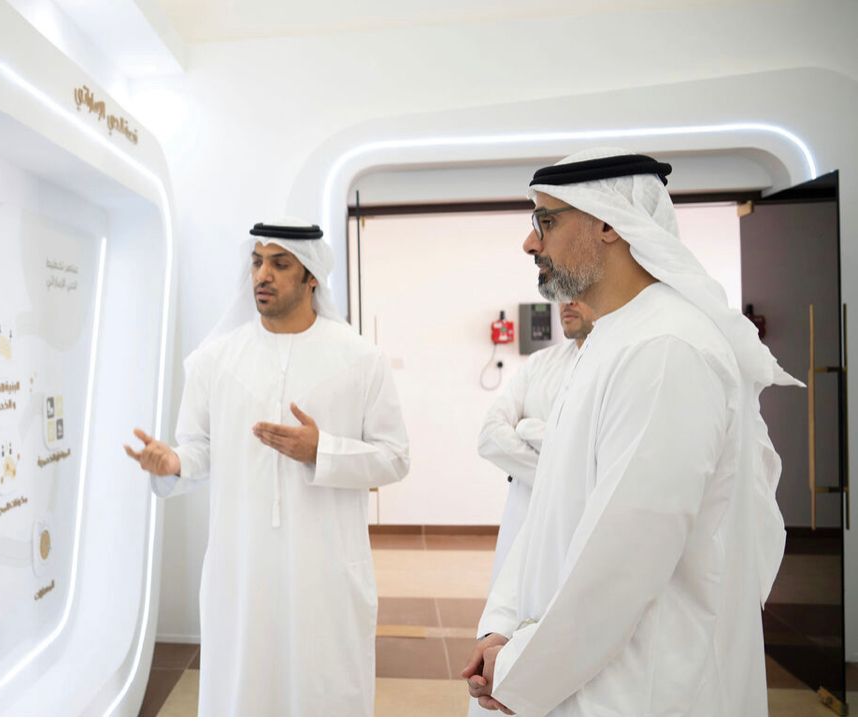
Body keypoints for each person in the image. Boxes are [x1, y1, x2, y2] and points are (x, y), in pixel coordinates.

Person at [461, 149, 798, 716]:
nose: (529, 243)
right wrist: (501, 625)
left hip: (639, 684)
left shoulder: (665, 348)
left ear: (608, 223)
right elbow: (548, 515)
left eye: (546, 221)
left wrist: (519, 668)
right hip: (570, 667)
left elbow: (625, 560)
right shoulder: (609, 341)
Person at [124, 219, 410, 716]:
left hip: (324, 568)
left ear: (311, 276)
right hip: (243, 567)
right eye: (257, 262)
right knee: (244, 687)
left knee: (325, 687)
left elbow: (395, 457)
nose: (262, 274)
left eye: (280, 264)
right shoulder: (215, 361)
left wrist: (322, 451)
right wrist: (172, 462)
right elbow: (198, 449)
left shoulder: (361, 359)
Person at [477, 301, 594, 586]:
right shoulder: (540, 363)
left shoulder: (613, 367)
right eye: (561, 292)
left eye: (578, 290)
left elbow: (597, 457)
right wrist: (566, 475)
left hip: (575, 528)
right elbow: (490, 437)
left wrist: (526, 429)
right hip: (522, 517)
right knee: (510, 602)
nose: (567, 301)